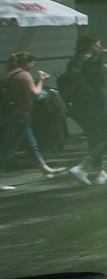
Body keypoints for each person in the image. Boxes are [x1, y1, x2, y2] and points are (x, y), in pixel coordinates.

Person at [63, 35, 107, 185]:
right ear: (92, 45)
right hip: (97, 102)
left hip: (79, 104)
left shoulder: (74, 61)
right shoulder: (95, 60)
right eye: (99, 43)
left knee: (93, 137)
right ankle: (82, 167)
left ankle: (99, 174)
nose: (100, 45)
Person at [1, 52, 63, 187]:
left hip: (6, 113)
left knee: (30, 144)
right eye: (32, 63)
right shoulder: (24, 75)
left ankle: (45, 169)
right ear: (25, 63)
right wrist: (41, 79)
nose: (32, 66)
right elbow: (34, 94)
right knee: (10, 147)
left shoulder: (4, 74)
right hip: (21, 114)